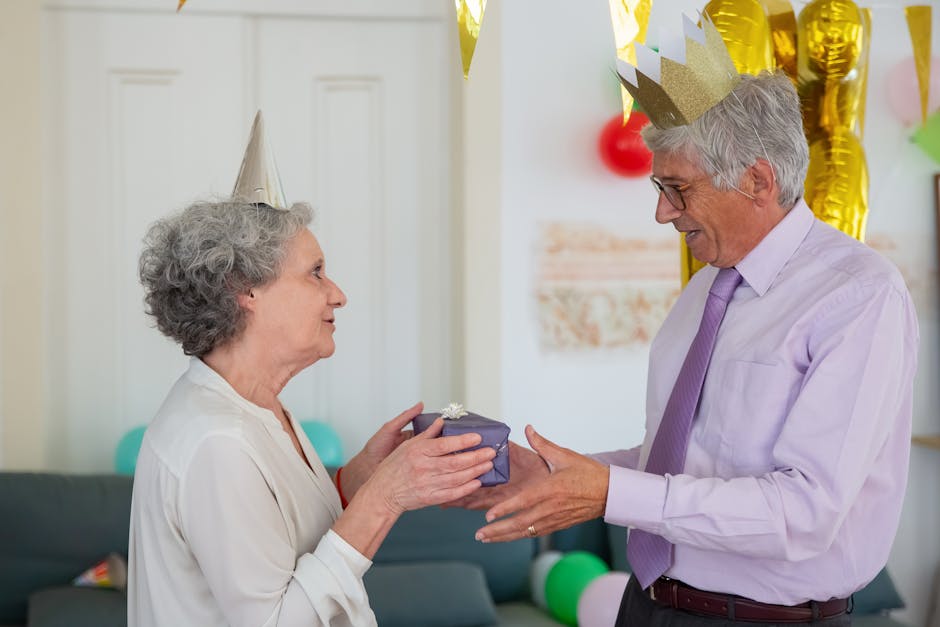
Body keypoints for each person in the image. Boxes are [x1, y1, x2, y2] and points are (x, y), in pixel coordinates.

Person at [462, 44, 918, 627]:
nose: (661, 212)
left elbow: (804, 511)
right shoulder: (706, 289)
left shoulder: (858, 296)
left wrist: (608, 493)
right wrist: (558, 475)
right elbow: (684, 458)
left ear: (757, 180)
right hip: (647, 605)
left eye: (677, 188)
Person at [129, 116, 495, 627]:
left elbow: (281, 533)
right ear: (246, 289)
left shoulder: (253, 406)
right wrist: (387, 495)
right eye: (315, 273)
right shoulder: (217, 442)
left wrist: (355, 481)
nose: (337, 294)